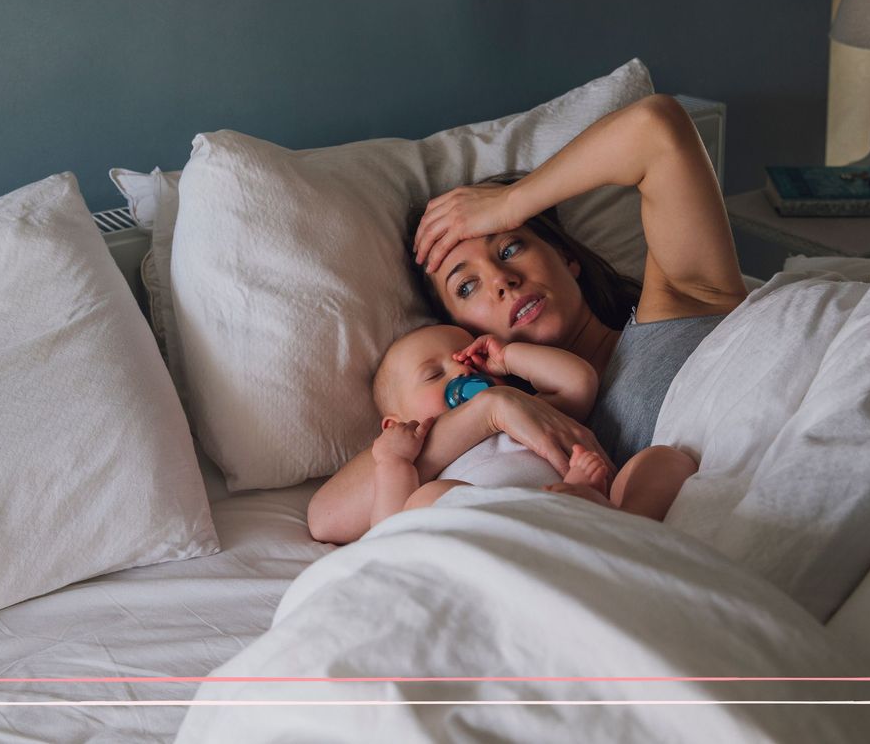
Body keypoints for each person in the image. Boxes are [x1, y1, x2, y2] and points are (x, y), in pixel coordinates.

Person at [307, 93, 747, 544]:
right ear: (463, 333)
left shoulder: (681, 298)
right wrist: (492, 410)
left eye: (511, 246)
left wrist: (511, 203)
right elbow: (327, 515)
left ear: (567, 256)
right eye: (466, 286)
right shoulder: (515, 433)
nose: (501, 279)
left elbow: (657, 127)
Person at [369, 324, 697, 528]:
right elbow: (388, 534)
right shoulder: (420, 463)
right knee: (426, 501)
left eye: (467, 361)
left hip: (587, 518)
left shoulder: (530, 413)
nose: (461, 374)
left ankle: (624, 523)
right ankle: (563, 511)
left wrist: (508, 357)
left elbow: (578, 381)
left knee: (664, 460)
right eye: (433, 374)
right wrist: (392, 460)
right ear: (393, 423)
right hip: (497, 535)